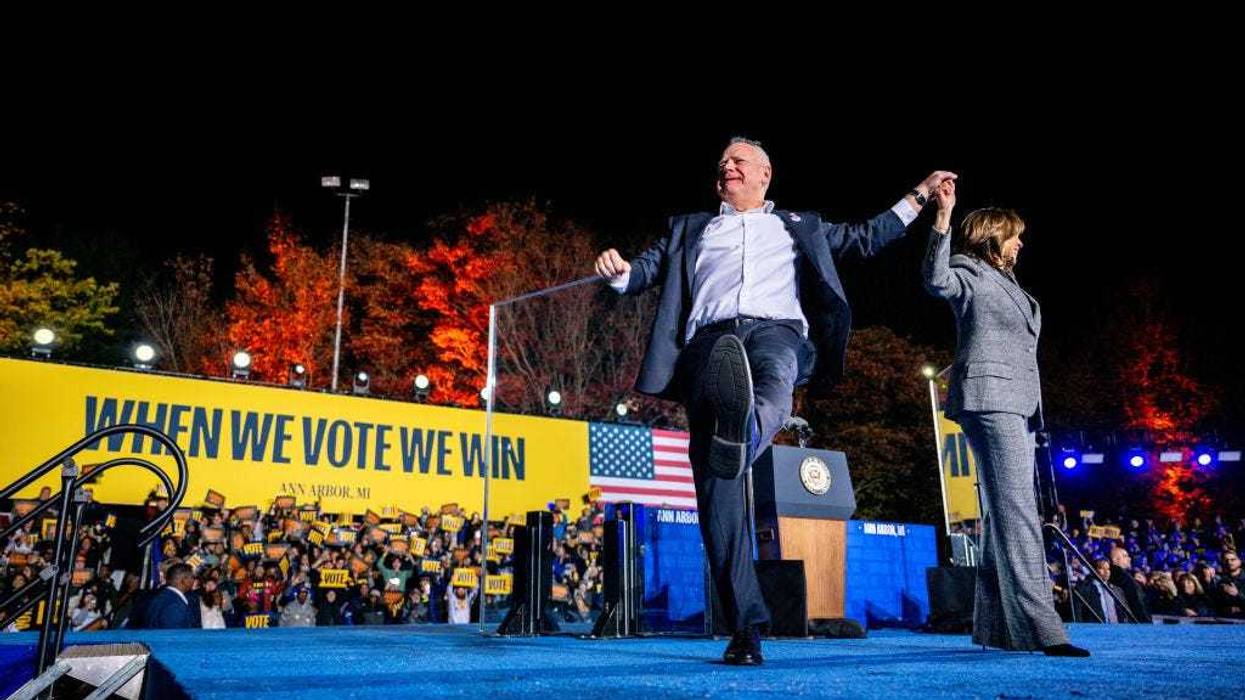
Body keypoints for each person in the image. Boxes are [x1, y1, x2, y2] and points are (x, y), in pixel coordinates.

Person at [595, 136, 953, 665]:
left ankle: (744, 436)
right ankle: (746, 626)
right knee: (718, 503)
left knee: (775, 382)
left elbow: (867, 237)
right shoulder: (688, 227)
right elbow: (643, 271)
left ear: (765, 176)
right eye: (721, 162)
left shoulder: (797, 224)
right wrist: (620, 273)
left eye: (738, 160)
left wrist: (921, 195)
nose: (727, 166)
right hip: (709, 346)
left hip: (775, 333)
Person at [922, 191, 1087, 657]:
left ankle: (996, 628)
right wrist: (943, 217)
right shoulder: (968, 271)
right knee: (1017, 510)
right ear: (994, 237)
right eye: (1015, 238)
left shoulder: (1010, 282)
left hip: (1016, 402)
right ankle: (1044, 628)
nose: (1021, 245)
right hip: (988, 399)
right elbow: (935, 280)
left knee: (1002, 513)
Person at [146, 563, 196, 629]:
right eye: (192, 577)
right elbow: (174, 637)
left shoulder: (162, 597)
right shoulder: (174, 605)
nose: (194, 581)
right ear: (184, 580)